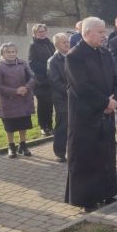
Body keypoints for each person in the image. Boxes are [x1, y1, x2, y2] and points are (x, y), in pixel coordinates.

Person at [64, 17, 117, 212]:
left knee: (105, 154)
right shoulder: (74, 56)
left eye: (105, 32)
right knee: (87, 156)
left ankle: (106, 192)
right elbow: (81, 87)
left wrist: (113, 100)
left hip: (106, 113)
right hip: (85, 116)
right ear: (87, 33)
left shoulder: (104, 52)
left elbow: (115, 78)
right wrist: (105, 102)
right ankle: (87, 199)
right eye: (100, 32)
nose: (104, 36)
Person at [0, 42, 37, 158]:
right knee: (10, 126)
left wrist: (26, 88)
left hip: (23, 100)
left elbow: (32, 77)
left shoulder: (23, 63)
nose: (11, 54)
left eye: (13, 51)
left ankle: (23, 145)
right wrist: (15, 91)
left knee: (23, 124)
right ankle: (11, 146)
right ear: (2, 53)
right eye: (8, 52)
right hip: (8, 101)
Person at [28, 23, 55, 137]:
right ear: (35, 33)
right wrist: (48, 66)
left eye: (43, 31)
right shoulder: (33, 46)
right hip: (41, 80)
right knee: (43, 104)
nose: (42, 33)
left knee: (50, 104)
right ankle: (43, 126)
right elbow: (32, 62)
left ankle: (50, 126)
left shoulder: (50, 43)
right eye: (39, 32)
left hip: (52, 79)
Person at [48, 32, 71, 162]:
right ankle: (60, 152)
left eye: (68, 41)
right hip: (62, 99)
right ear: (56, 45)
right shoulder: (53, 61)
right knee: (62, 126)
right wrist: (70, 91)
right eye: (64, 42)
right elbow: (55, 81)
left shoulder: (72, 56)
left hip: (75, 97)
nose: (67, 44)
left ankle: (74, 150)